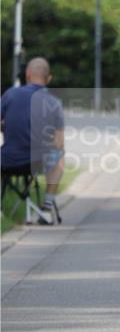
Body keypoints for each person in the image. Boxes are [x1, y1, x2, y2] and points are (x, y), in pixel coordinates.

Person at [1, 57, 65, 223]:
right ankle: (47, 206)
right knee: (60, 157)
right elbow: (59, 143)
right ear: (48, 78)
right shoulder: (54, 103)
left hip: (8, 161)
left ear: (27, 74)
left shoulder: (10, 94)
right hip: (39, 163)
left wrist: (6, 127)